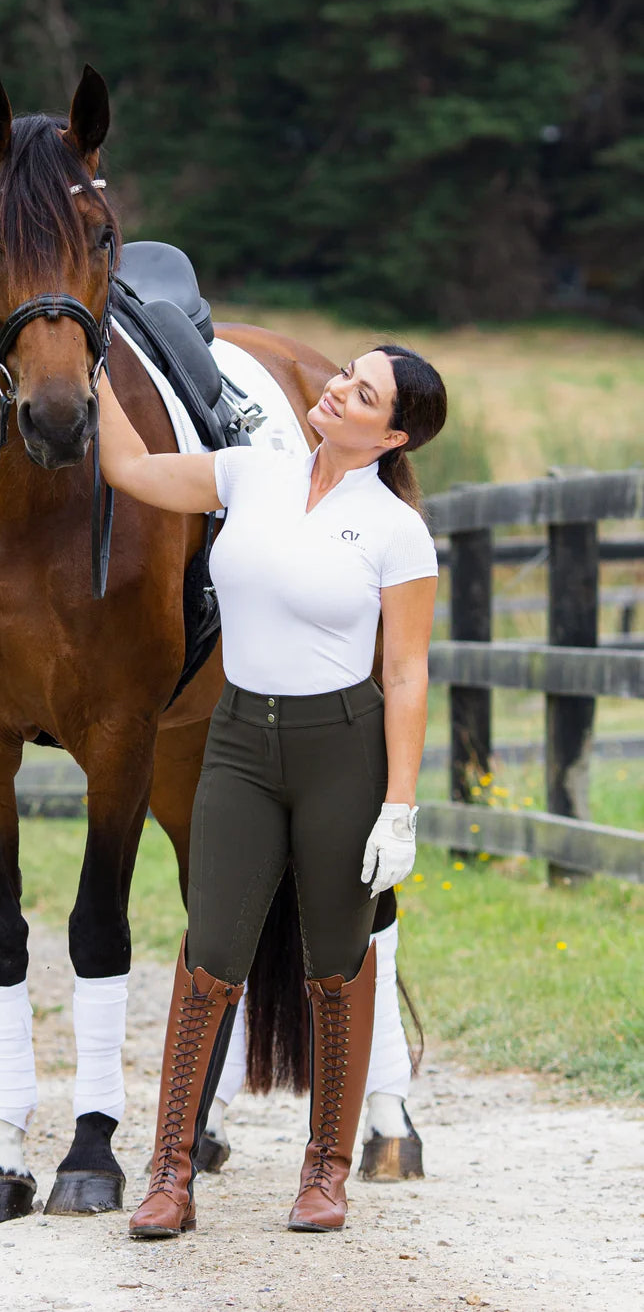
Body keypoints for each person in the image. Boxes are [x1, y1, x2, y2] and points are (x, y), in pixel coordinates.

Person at [96, 344, 446, 1238]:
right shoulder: (250, 474)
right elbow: (129, 466)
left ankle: (325, 1173)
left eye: (362, 393)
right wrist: (92, 351)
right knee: (210, 953)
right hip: (241, 745)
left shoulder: (394, 529)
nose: (336, 391)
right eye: (343, 377)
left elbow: (406, 674)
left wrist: (398, 806)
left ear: (393, 432)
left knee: (336, 962)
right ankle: (169, 1175)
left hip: (342, 753)